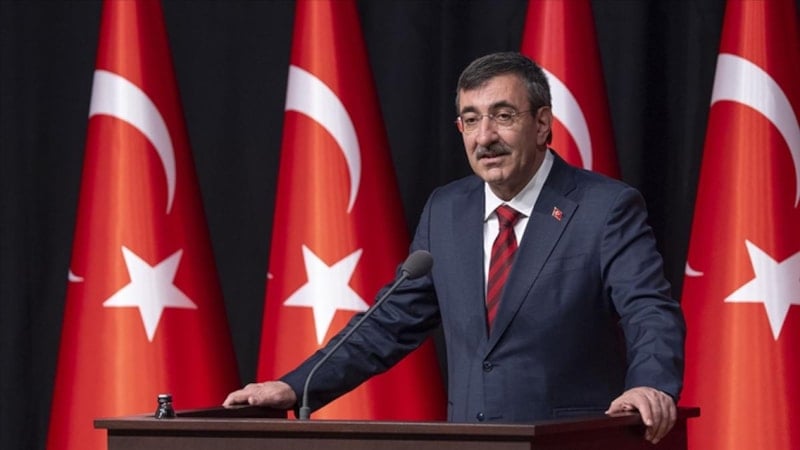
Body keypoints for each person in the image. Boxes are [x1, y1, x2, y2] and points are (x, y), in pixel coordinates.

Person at [224, 52, 685, 445]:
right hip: (471, 441)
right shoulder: (447, 210)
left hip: (568, 442)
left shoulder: (604, 208)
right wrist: (295, 386)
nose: (485, 137)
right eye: (471, 119)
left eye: (503, 116)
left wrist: (649, 385)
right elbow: (389, 322)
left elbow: (648, 309)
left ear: (542, 123)